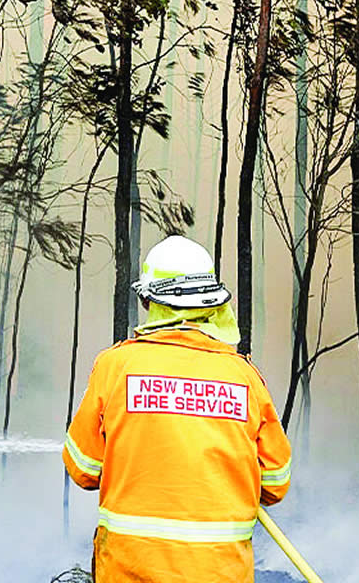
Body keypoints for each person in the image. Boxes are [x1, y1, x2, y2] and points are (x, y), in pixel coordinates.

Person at [63, 235, 292, 583]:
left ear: (150, 301)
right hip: (220, 574)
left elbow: (83, 469)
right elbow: (275, 483)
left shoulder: (116, 367)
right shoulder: (243, 378)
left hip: (129, 572)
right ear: (210, 303)